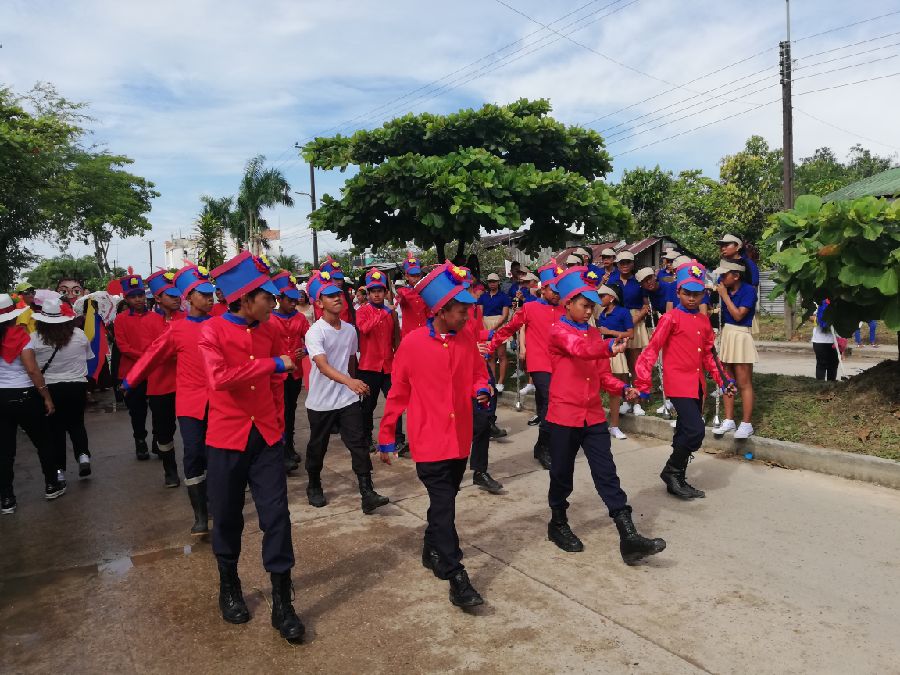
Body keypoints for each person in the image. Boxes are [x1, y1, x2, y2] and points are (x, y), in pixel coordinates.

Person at [197, 251, 304, 642]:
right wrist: (273, 364)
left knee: (277, 517)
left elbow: (277, 386)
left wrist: (276, 422)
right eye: (267, 298)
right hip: (226, 439)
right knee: (226, 517)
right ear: (245, 298)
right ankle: (229, 586)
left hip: (266, 439)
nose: (273, 304)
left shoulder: (270, 328)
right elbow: (220, 378)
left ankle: (282, 602)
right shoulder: (211, 331)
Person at [378, 261, 491, 608]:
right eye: (460, 312)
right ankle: (457, 577)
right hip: (429, 441)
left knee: (445, 503)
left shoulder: (466, 339)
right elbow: (397, 393)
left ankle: (430, 547)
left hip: (460, 438)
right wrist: (386, 436)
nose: (466, 318)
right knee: (444, 506)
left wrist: (482, 388)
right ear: (441, 311)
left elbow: (478, 373)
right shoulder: (412, 344)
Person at [543, 267, 666, 564]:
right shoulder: (558, 331)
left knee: (607, 474)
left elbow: (600, 375)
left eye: (592, 306)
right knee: (562, 475)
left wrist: (624, 390)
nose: (589, 311)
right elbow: (580, 350)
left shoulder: (593, 333)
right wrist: (609, 345)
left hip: (592, 416)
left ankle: (629, 536)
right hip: (563, 415)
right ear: (568, 303)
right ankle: (558, 523)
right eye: (584, 305)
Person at [125, 266, 215, 534]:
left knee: (216, 453)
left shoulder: (218, 324)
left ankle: (215, 503)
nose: (211, 299)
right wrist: (130, 380)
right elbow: (153, 354)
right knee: (194, 452)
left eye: (212, 295)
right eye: (204, 295)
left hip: (219, 400)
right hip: (189, 402)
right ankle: (200, 514)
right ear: (189, 297)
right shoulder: (177, 329)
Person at [635, 261, 735, 500]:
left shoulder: (702, 321)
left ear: (703, 294)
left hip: (697, 383)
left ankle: (677, 477)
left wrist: (723, 381)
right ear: (678, 292)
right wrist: (642, 383)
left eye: (696, 294)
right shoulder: (670, 318)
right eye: (687, 293)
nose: (691, 298)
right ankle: (671, 472)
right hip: (678, 382)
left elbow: (710, 354)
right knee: (695, 430)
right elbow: (651, 349)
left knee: (684, 430)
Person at [303, 270, 391, 514]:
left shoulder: (350, 330)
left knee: (358, 443)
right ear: (319, 304)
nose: (337, 299)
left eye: (339, 295)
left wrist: (353, 383)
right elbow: (321, 365)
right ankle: (314, 484)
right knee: (317, 446)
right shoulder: (315, 332)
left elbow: (351, 359)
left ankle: (367, 492)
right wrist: (350, 382)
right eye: (330, 296)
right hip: (321, 401)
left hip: (346, 399)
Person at [486, 260, 564, 470]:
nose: (558, 294)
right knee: (550, 402)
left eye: (561, 290)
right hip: (539, 363)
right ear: (544, 288)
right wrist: (490, 345)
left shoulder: (565, 309)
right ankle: (545, 447)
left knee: (544, 403)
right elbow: (509, 328)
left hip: (561, 365)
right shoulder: (530, 308)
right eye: (554, 290)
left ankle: (542, 443)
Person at [0, 294, 61, 513]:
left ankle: (7, 499)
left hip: (1, 398)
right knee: (43, 441)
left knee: (5, 452)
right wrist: (46, 396)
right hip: (25, 395)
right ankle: (52, 485)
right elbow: (33, 370)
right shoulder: (21, 336)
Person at [25, 297, 94, 480]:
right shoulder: (79, 334)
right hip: (77, 386)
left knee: (55, 430)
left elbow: (31, 365)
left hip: (50, 388)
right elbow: (87, 357)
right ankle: (83, 455)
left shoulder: (34, 338)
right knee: (77, 423)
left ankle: (59, 472)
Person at [355, 268, 407, 455]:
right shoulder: (362, 311)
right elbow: (365, 328)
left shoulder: (391, 313)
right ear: (368, 294)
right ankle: (367, 438)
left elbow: (396, 338)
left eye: (380, 291)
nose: (377, 294)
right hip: (369, 367)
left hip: (389, 366)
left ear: (385, 292)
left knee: (396, 402)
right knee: (368, 406)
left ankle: (398, 439)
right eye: (373, 291)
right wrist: (384, 312)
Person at [142, 270, 186, 486]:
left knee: (194, 431)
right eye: (171, 295)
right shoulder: (148, 322)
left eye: (178, 294)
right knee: (164, 432)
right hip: (160, 385)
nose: (177, 298)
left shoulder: (188, 319)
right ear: (158, 298)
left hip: (187, 384)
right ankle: (170, 469)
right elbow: (150, 353)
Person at [113, 274, 158, 461]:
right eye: (133, 296)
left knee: (158, 408)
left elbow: (160, 343)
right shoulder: (120, 320)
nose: (138, 299)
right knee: (137, 411)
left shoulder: (156, 318)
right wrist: (147, 357)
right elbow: (123, 347)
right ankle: (140, 441)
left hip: (155, 372)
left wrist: (152, 359)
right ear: (126, 299)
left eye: (140, 295)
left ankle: (159, 440)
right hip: (132, 373)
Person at [713, 260, 757, 440]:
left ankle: (746, 424)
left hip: (741, 335)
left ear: (736, 276)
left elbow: (739, 314)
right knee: (727, 380)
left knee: (744, 382)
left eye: (725, 275)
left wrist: (724, 295)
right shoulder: (726, 290)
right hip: (727, 335)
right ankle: (729, 419)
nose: (721, 278)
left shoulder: (748, 290)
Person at [271, 272, 310, 473]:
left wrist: (306, 350)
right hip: (276, 374)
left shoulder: (300, 319)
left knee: (290, 411)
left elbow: (310, 340)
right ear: (279, 299)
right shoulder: (269, 319)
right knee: (279, 412)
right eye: (290, 300)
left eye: (296, 300)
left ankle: (289, 447)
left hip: (295, 373)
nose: (294, 304)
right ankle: (281, 452)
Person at [595, 284, 633, 440]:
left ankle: (615, 426)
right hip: (601, 352)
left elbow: (630, 333)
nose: (600, 299)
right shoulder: (601, 314)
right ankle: (597, 424)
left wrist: (610, 332)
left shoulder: (623, 312)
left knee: (615, 391)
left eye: (602, 296)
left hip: (616, 352)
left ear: (611, 297)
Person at [614, 251, 649, 416]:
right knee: (622, 366)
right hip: (618, 323)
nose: (625, 265)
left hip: (635, 322)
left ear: (633, 264)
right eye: (621, 262)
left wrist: (635, 319)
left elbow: (646, 306)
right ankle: (625, 399)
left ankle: (637, 402)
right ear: (617, 264)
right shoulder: (613, 281)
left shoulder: (638, 282)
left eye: (628, 262)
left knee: (635, 366)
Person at [479, 273, 512, 391]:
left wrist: (494, 328)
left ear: (498, 282)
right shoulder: (483, 297)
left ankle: (500, 382)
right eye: (490, 281)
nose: (492, 283)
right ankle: (492, 379)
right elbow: (480, 313)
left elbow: (505, 315)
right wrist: (484, 328)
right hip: (486, 324)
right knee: (490, 355)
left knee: (501, 354)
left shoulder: (504, 297)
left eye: (494, 281)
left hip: (499, 324)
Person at [314, 257, 355, 324]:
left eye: (341, 279)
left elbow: (350, 318)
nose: (340, 282)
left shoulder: (346, 295)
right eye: (336, 279)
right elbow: (320, 320)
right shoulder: (320, 299)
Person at [396, 253, 428, 338]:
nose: (416, 278)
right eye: (412, 276)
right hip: (409, 335)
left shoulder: (426, 291)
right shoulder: (402, 291)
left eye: (418, 275)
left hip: (425, 333)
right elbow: (404, 297)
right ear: (406, 276)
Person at [812, 300, 840, 381]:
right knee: (821, 364)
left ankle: (831, 387)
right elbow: (810, 316)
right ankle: (820, 387)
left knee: (833, 366)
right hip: (819, 341)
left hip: (835, 340)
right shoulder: (817, 300)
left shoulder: (838, 299)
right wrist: (820, 320)